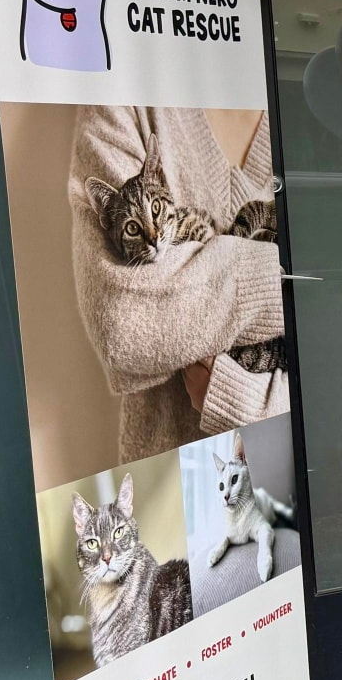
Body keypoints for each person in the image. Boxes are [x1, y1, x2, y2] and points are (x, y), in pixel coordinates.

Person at [68, 105, 287, 465]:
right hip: (175, 477)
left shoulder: (298, 104)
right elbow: (123, 323)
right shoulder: (118, 105)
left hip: (303, 459)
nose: (154, 237)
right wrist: (286, 272)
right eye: (137, 229)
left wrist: (243, 399)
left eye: (154, 218)